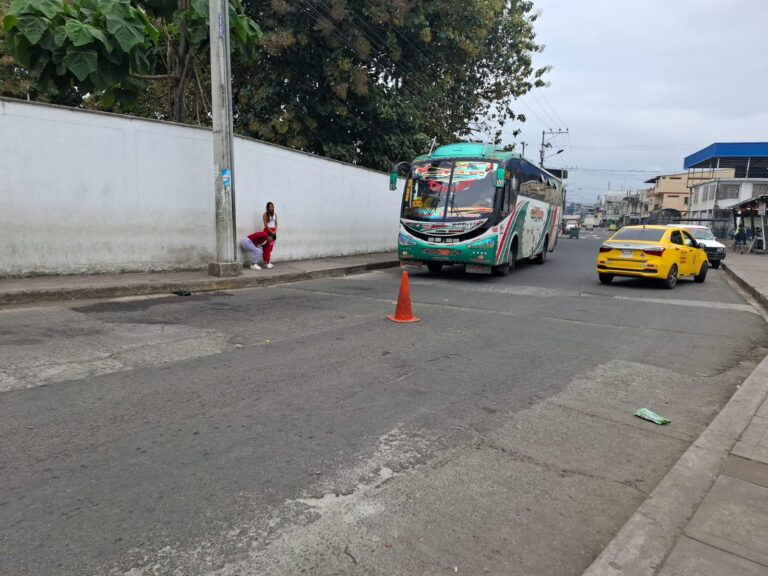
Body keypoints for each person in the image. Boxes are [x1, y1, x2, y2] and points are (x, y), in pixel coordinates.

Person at [262, 202, 278, 266]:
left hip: (273, 232)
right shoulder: (265, 214)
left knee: (271, 247)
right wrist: (271, 231)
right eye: (269, 207)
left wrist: (275, 231)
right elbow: (265, 224)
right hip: (267, 231)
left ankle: (267, 261)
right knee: (267, 247)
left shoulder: (275, 215)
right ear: (267, 208)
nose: (271, 208)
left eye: (272, 206)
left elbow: (276, 224)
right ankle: (267, 262)